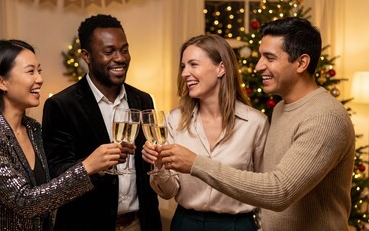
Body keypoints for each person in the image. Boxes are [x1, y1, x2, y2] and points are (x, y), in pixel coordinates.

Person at [153, 17, 355, 230]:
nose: (259, 66)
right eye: (260, 57)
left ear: (301, 63)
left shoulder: (325, 118)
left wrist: (196, 163)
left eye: (270, 57)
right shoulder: (280, 109)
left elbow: (279, 191)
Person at [0, 39, 122, 230]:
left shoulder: (33, 129)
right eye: (30, 71)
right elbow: (25, 202)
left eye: (39, 71)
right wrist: (87, 166)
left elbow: (51, 188)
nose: (39, 79)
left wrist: (99, 165)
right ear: (1, 81)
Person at [42, 14, 162, 231]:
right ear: (86, 56)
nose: (120, 58)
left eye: (124, 50)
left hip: (138, 223)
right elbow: (55, 173)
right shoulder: (61, 105)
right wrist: (94, 165)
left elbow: (148, 169)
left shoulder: (142, 100)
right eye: (109, 52)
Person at [142, 34, 269, 231]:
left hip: (237, 225)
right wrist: (159, 168)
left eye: (193, 64)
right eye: (183, 66)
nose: (185, 73)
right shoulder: (174, 120)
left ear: (221, 68)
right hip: (186, 223)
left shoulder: (255, 123)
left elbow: (264, 189)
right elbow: (168, 192)